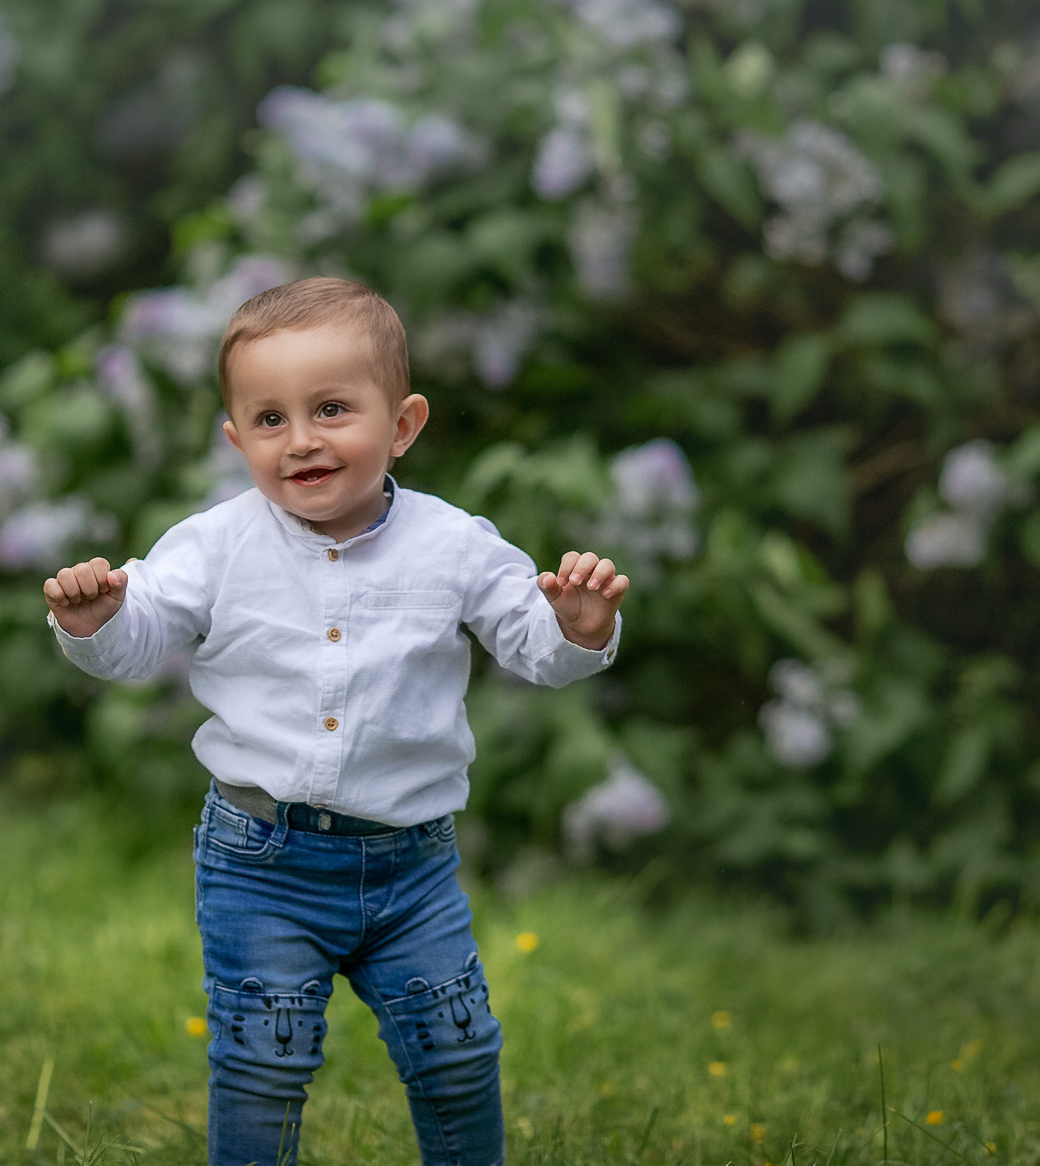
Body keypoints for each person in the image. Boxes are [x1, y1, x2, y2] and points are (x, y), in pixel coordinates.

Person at [42, 277, 628, 1166]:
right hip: (261, 862)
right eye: (269, 419)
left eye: (330, 409)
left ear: (402, 424)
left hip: (411, 869)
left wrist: (577, 628)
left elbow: (533, 643)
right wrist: (98, 621)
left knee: (458, 1051)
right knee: (262, 1063)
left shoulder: (453, 544)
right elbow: (140, 633)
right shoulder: (217, 543)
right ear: (237, 439)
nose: (301, 439)